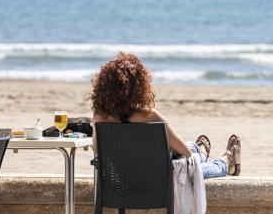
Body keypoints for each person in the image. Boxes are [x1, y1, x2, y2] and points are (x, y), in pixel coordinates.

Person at [89, 52, 241, 178]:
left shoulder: (99, 118)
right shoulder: (149, 116)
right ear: (139, 87)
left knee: (186, 154)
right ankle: (224, 161)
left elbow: (97, 152)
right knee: (191, 159)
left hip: (122, 183)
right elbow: (185, 153)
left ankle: (201, 150)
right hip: (160, 181)